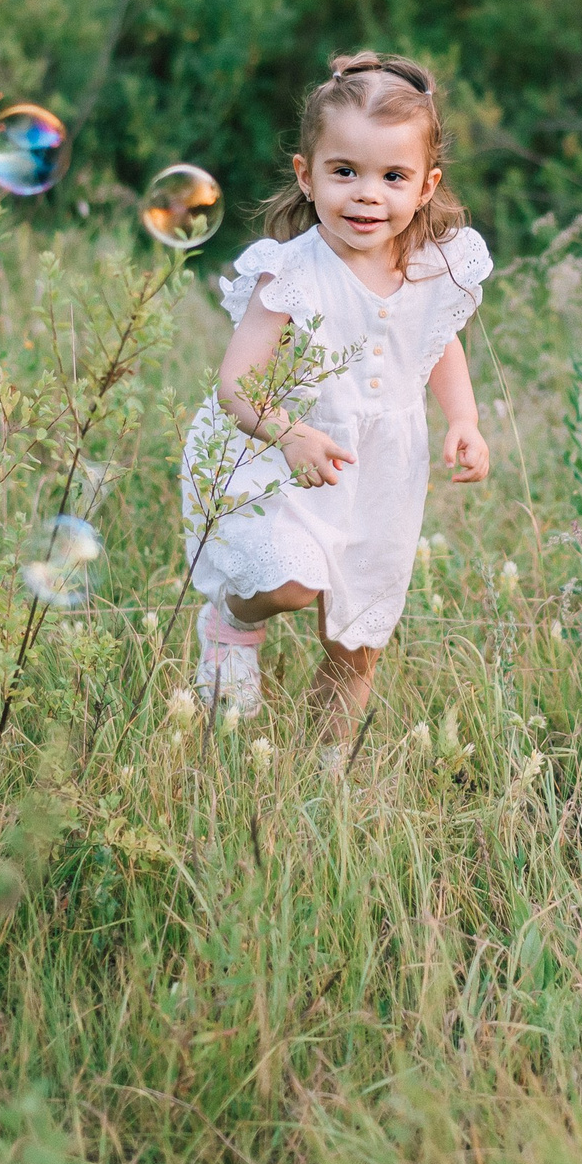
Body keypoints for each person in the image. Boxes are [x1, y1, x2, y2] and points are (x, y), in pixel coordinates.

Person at [180, 51, 492, 746]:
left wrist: (463, 419)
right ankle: (232, 619)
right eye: (344, 171)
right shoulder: (287, 273)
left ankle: (326, 781)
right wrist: (289, 433)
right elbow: (236, 385)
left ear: (425, 185)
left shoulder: (430, 267)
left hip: (382, 474)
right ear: (307, 174)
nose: (367, 194)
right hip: (282, 461)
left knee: (358, 642)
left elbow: (437, 342)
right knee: (292, 581)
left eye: (392, 176)